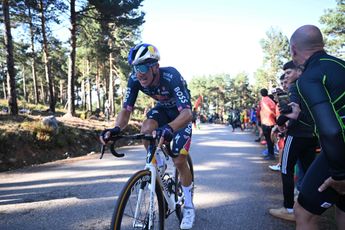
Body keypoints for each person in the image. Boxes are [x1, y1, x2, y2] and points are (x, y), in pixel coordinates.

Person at [99, 43, 195, 229]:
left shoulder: (171, 76)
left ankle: (189, 207)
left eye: (142, 67)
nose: (139, 73)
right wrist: (116, 129)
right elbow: (126, 110)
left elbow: (187, 114)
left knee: (179, 161)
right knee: (146, 128)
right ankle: (157, 164)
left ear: (155, 67)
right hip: (163, 111)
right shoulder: (134, 79)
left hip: (181, 115)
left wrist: (169, 128)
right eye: (135, 68)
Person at [286, 25, 345, 229]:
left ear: (294, 49)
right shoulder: (340, 65)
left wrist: (339, 175)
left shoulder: (309, 77)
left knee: (303, 213)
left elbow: (331, 130)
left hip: (340, 151)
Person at [269, 60, 318, 222]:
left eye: (289, 73)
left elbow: (293, 112)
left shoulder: (296, 87)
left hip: (297, 135)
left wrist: (279, 123)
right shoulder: (310, 86)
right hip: (311, 136)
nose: (287, 77)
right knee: (309, 172)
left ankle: (288, 208)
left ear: (299, 71)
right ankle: (308, 208)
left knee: (285, 169)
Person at [258, 88, 277, 160]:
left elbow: (265, 111)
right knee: (270, 140)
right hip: (271, 122)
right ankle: (270, 154)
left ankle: (271, 155)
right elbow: (273, 109)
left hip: (266, 122)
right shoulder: (270, 100)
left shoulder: (263, 101)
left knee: (268, 140)